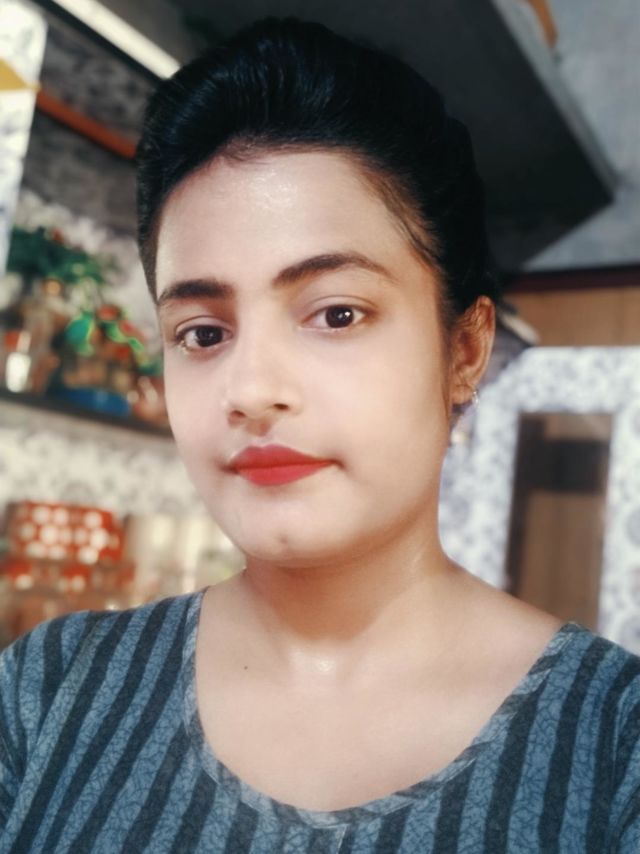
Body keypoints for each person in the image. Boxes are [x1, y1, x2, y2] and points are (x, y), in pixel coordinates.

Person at [1, 17, 638, 854]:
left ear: (463, 350)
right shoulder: (48, 691)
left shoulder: (614, 743)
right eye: (202, 333)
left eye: (337, 314)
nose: (252, 391)